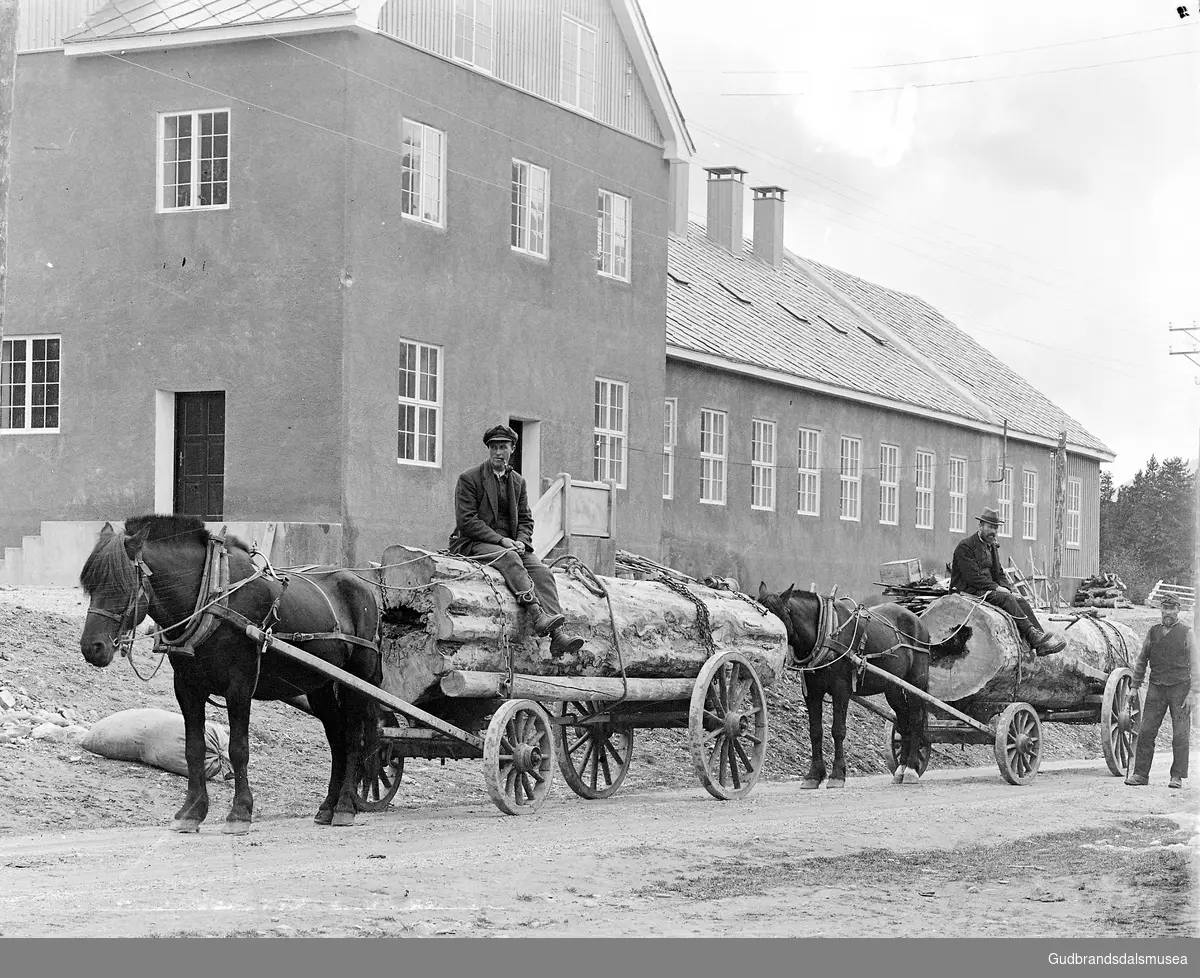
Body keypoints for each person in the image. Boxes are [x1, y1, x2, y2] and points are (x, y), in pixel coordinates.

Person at [448, 424, 584, 657]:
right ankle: (536, 613)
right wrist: (502, 541)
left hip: (509, 544)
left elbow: (525, 520)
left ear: (512, 449)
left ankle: (558, 634)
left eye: (503, 447)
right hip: (473, 542)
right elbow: (467, 521)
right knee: (510, 557)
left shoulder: (518, 482)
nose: (498, 452)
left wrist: (521, 540)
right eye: (494, 447)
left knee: (543, 572)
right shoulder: (470, 478)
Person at [950, 506, 1067, 656]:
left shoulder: (991, 546)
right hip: (968, 590)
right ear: (980, 526)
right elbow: (973, 577)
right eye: (990, 527)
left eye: (995, 528)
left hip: (986, 589)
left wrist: (1007, 588)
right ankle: (1033, 635)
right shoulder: (965, 547)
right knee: (1005, 597)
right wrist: (998, 589)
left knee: (1020, 600)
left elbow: (999, 572)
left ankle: (1041, 643)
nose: (993, 531)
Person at [1125, 593, 1198, 789]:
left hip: (1180, 689)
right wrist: (1134, 687)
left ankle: (1177, 776)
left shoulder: (1187, 633)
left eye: (1172, 609)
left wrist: (1193, 693)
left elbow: (1196, 665)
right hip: (1156, 687)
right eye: (1165, 609)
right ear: (1161, 610)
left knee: (1180, 734)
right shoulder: (1153, 632)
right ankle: (1140, 774)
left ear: (1178, 610)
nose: (1168, 613)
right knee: (1146, 731)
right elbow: (1142, 660)